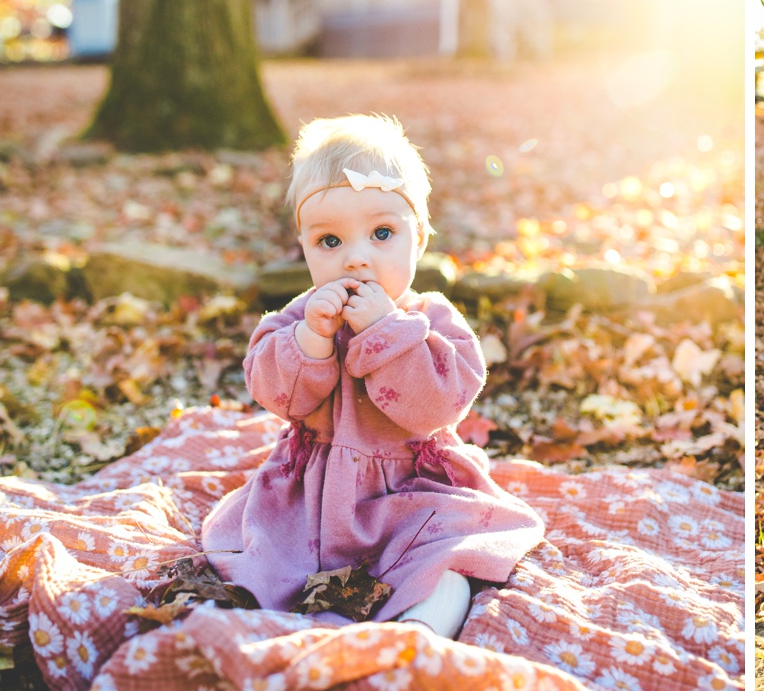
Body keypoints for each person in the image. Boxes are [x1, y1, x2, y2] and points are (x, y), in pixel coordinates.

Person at [201, 114, 546, 639]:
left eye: (381, 234)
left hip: (411, 492)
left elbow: (437, 406)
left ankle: (421, 629)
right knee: (266, 556)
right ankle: (278, 624)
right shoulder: (301, 318)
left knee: (445, 557)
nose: (356, 259)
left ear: (420, 238)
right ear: (304, 246)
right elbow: (276, 394)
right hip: (312, 496)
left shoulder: (432, 321)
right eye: (330, 242)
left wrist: (385, 333)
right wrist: (312, 343)